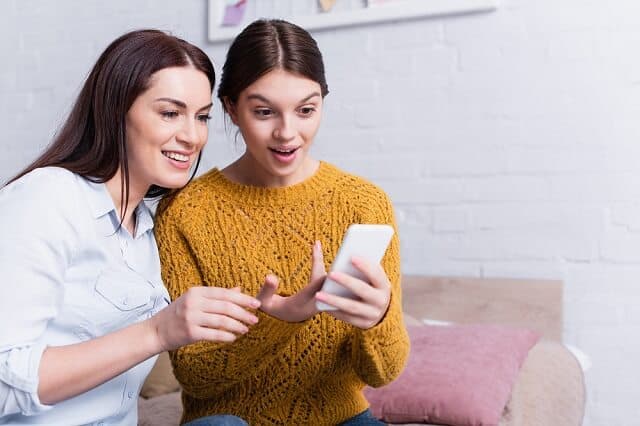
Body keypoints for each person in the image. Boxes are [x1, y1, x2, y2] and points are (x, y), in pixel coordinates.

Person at [155, 19, 410, 425]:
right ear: (231, 109)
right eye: (263, 112)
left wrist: (378, 321)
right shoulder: (185, 213)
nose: (287, 133)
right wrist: (280, 318)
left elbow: (384, 373)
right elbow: (195, 376)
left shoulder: (364, 204)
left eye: (306, 109)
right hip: (230, 419)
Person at [0, 29, 259, 426]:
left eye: (202, 116)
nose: (192, 136)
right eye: (170, 113)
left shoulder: (149, 228)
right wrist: (156, 332)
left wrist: (286, 312)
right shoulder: (47, 198)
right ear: (115, 111)